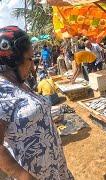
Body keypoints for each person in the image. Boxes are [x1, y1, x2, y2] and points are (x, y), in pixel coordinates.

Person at [0, 26, 73, 180]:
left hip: (56, 167)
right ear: (13, 59)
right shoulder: (2, 91)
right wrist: (23, 175)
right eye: (30, 59)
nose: (33, 66)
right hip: (36, 175)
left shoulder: (19, 84)